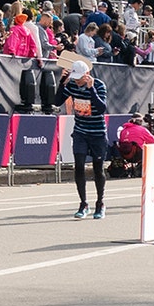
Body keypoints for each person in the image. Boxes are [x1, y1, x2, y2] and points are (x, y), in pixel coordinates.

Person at [55, 61, 109, 219]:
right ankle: (83, 203)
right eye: (75, 78)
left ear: (87, 75)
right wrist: (62, 84)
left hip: (97, 133)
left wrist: (91, 89)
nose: (77, 81)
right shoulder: (72, 85)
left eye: (80, 78)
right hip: (80, 131)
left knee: (98, 169)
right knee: (78, 166)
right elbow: (57, 101)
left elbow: (101, 108)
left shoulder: (98, 85)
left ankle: (100, 203)